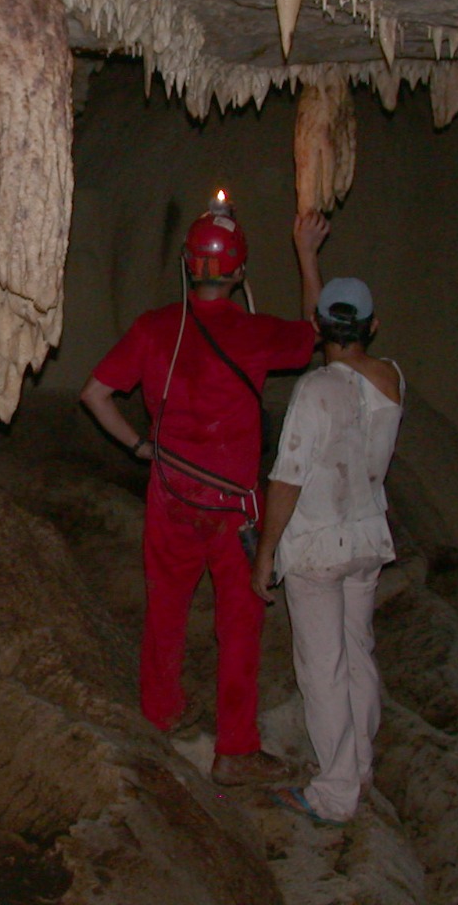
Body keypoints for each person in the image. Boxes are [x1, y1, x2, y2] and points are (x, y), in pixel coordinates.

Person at [81, 196, 327, 786]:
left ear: (188, 267)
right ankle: (235, 750)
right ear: (239, 273)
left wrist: (140, 448)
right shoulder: (256, 333)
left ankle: (161, 712)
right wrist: (306, 253)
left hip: (171, 495)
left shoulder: (152, 329)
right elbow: (319, 331)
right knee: (239, 624)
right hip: (234, 507)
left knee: (165, 607)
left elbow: (94, 393)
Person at [252, 277, 402, 826]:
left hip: (318, 546)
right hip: (367, 538)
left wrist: (266, 551)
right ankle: (359, 765)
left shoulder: (315, 390)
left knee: (323, 670)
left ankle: (335, 794)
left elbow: (288, 477)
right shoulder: (391, 379)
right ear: (372, 326)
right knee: (358, 653)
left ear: (318, 328)